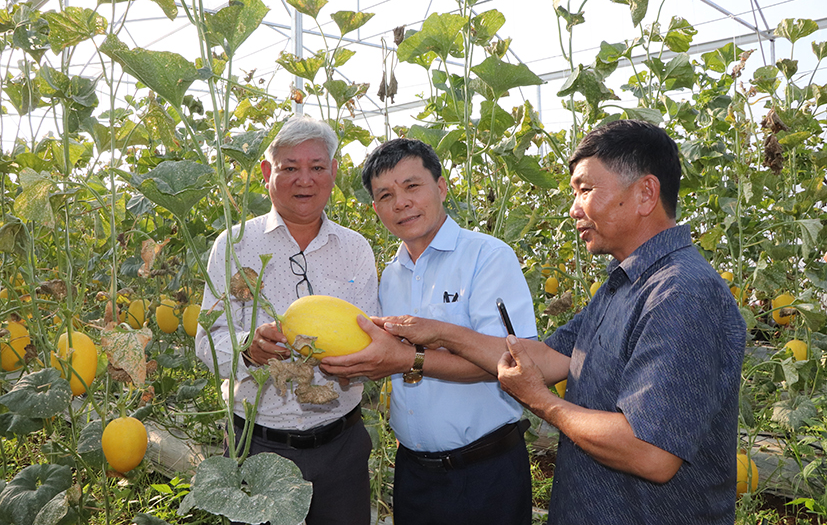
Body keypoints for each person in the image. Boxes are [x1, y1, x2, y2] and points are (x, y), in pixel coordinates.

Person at [379, 120, 747, 524]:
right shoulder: (625, 281)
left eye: (585, 190)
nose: (574, 208)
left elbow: (651, 452)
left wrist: (540, 400)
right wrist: (440, 332)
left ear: (645, 193)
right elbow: (547, 357)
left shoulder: (681, 293)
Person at [321, 138, 537, 525]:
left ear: (441, 187)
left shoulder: (487, 257)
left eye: (412, 186)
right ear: (376, 209)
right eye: (385, 194)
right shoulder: (389, 276)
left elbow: (508, 361)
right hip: (414, 473)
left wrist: (409, 358)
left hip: (486, 470)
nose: (400, 202)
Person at [195, 115, 380, 525]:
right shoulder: (235, 244)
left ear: (333, 172)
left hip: (340, 448)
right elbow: (207, 344)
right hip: (257, 445)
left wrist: (356, 364)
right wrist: (248, 349)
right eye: (290, 168)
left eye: (317, 167)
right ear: (266, 173)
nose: (305, 179)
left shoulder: (356, 249)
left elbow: (370, 340)